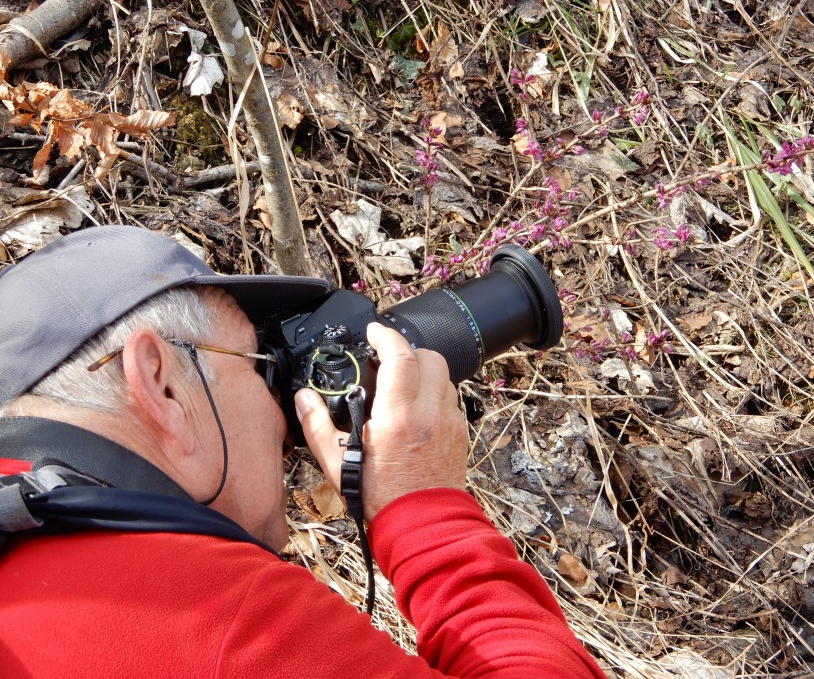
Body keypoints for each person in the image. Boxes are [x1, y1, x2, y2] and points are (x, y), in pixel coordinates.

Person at [0, 225, 605, 679]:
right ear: (161, 384)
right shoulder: (214, 620)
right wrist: (428, 510)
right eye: (263, 367)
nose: (283, 419)